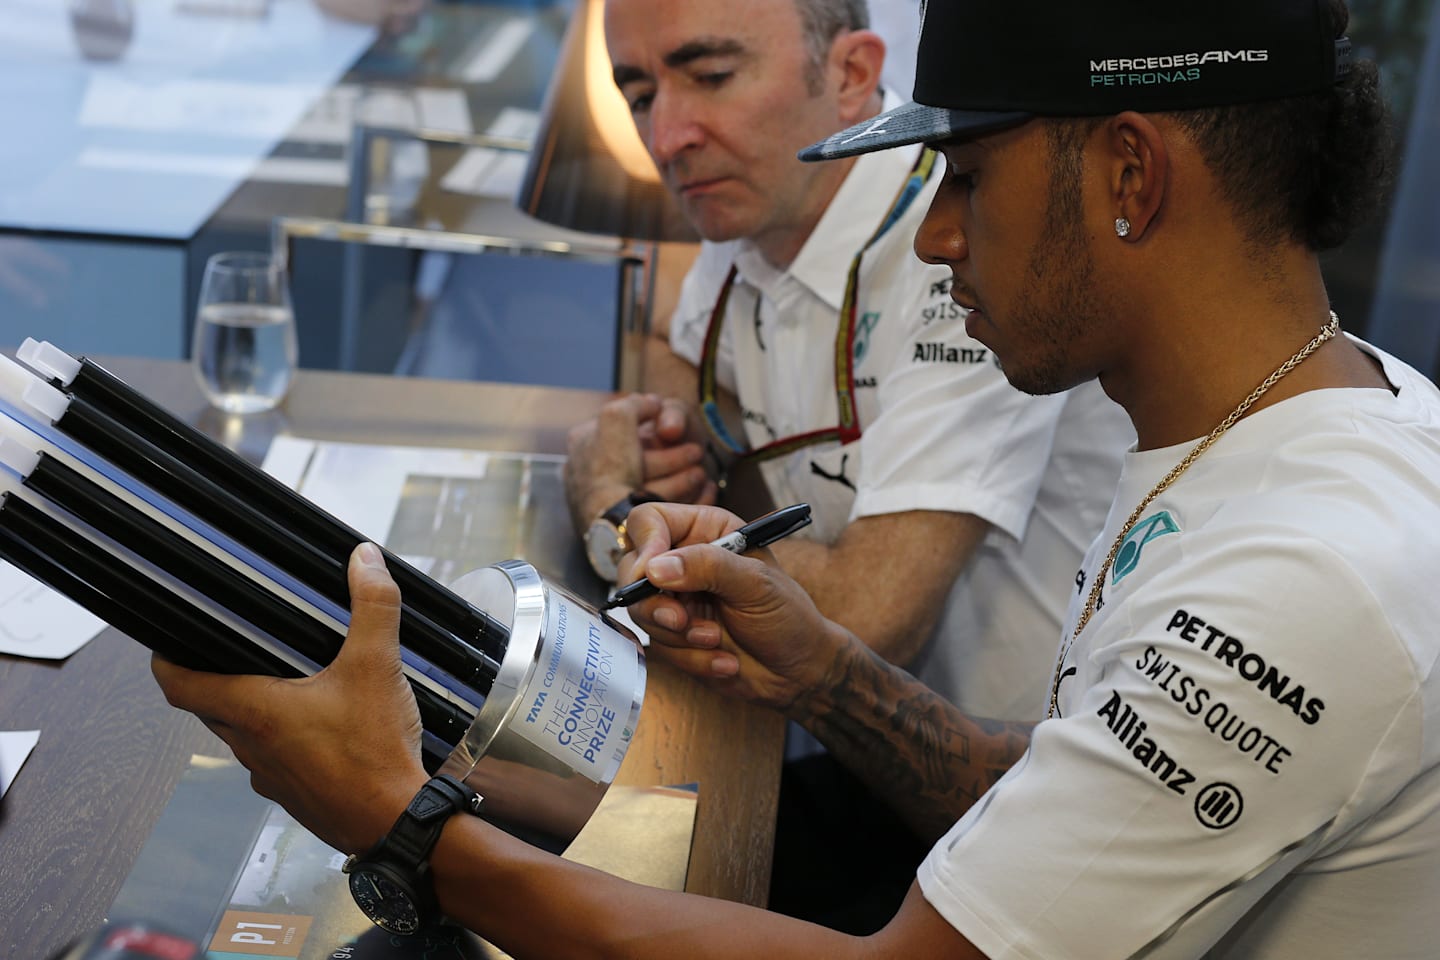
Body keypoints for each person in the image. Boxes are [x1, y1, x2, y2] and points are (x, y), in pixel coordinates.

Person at [154, 0, 1440, 956]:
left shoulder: (1304, 574)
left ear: (1131, 175)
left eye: (970, 180)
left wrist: (402, 821)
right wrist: (824, 666)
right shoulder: (1260, 424)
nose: (936, 237)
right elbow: (1041, 784)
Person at [564, 0, 1132, 728]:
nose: (668, 138)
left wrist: (614, 509)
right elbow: (683, 349)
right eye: (640, 97)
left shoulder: (975, 244)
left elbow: (862, 619)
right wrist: (679, 437)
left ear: (852, 74)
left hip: (1006, 769)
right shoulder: (756, 198)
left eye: (710, 76)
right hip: (849, 743)